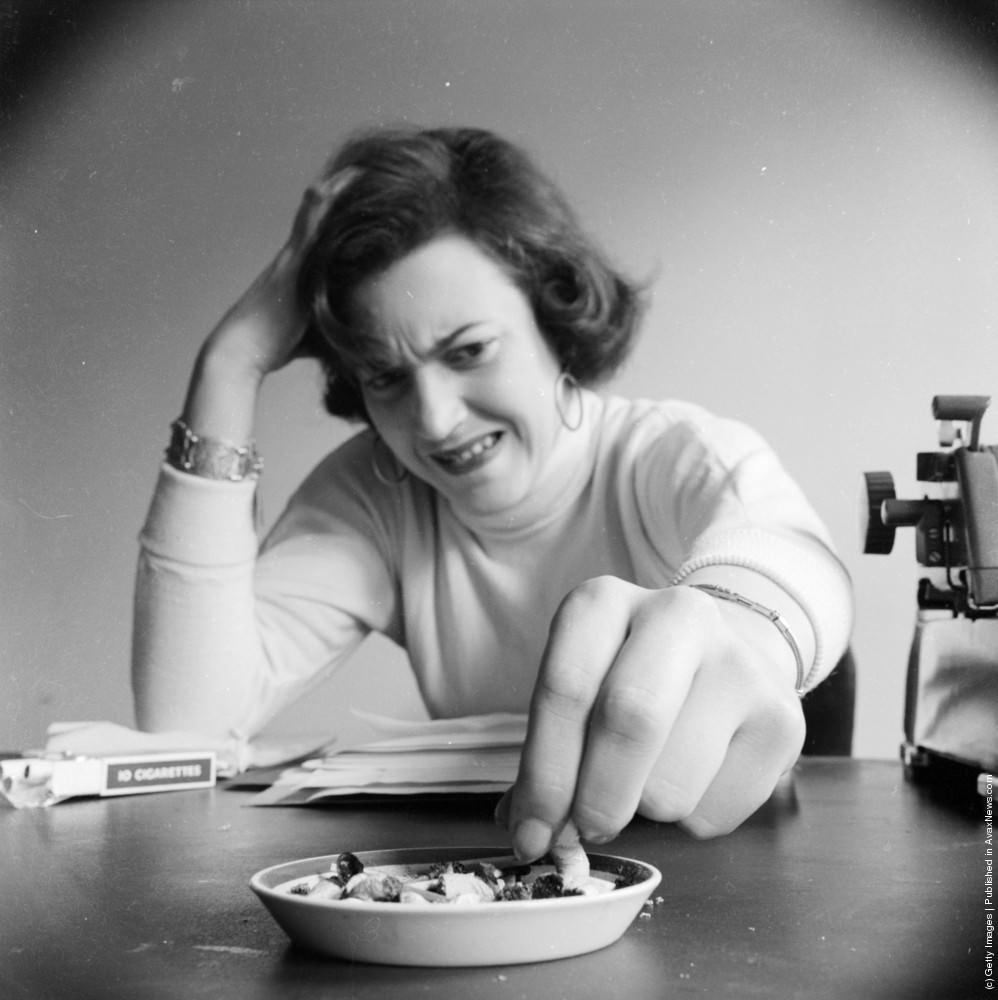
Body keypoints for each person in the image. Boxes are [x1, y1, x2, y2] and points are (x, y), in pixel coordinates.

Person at [132, 124, 853, 862]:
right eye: (385, 376)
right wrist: (232, 359)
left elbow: (795, 562)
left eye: (470, 351)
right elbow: (186, 721)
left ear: (553, 315)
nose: (436, 420)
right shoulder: (377, 492)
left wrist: (745, 627)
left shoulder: (666, 452)